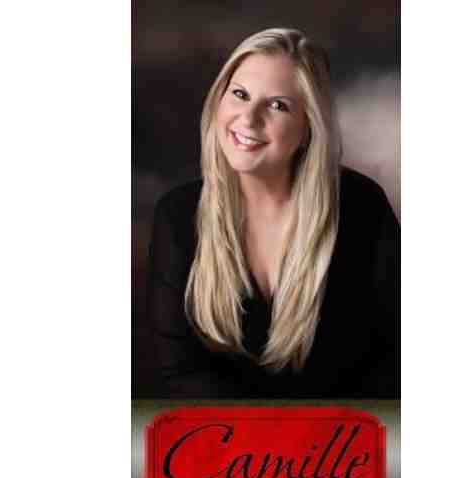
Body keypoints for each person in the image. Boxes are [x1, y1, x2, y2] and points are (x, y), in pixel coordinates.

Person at [140, 28, 399, 398]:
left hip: (343, 432)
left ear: (308, 126)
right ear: (218, 101)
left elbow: (394, 356)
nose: (248, 119)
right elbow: (179, 368)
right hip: (223, 433)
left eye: (277, 105)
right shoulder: (178, 215)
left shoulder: (362, 207)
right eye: (240, 95)